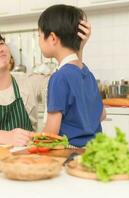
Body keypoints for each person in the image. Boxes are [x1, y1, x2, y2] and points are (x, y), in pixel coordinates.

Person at [0, 22, 91, 146]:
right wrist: (8, 137)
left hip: (26, 159)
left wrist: (76, 50)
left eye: (1, 43)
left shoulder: (30, 82)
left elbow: (71, 81)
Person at [38, 5, 106, 147]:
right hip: (93, 150)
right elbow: (102, 115)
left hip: (69, 151)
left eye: (39, 35)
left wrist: (34, 141)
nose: (39, 40)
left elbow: (52, 131)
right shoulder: (88, 74)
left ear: (52, 38)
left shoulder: (59, 78)